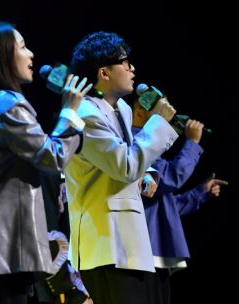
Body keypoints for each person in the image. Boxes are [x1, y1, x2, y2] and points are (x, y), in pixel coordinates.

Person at [0, 21, 93, 304]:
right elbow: (52, 156)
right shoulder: (8, 104)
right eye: (22, 47)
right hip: (1, 257)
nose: (31, 54)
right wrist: (70, 113)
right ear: (2, 57)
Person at [64, 31, 178, 304]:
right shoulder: (86, 114)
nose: (132, 68)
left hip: (129, 243)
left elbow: (124, 157)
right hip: (106, 245)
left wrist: (146, 173)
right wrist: (159, 124)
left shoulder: (122, 109)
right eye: (125, 62)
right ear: (103, 72)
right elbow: (124, 166)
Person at [131, 97, 229, 304]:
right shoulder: (132, 144)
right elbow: (168, 179)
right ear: (139, 110)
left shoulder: (147, 145)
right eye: (161, 107)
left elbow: (161, 202)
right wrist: (192, 143)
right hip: (138, 252)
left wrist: (200, 193)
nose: (169, 112)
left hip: (155, 253)